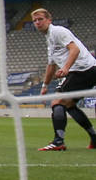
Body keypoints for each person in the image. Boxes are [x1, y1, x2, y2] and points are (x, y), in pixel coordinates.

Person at [32, 8, 96, 151]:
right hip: (84, 71)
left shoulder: (58, 31)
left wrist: (66, 68)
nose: (37, 22)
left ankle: (58, 141)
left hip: (82, 70)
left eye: (40, 19)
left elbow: (75, 50)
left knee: (57, 102)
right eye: (35, 20)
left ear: (49, 20)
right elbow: (51, 65)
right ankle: (94, 138)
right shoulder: (49, 39)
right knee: (69, 105)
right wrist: (45, 85)